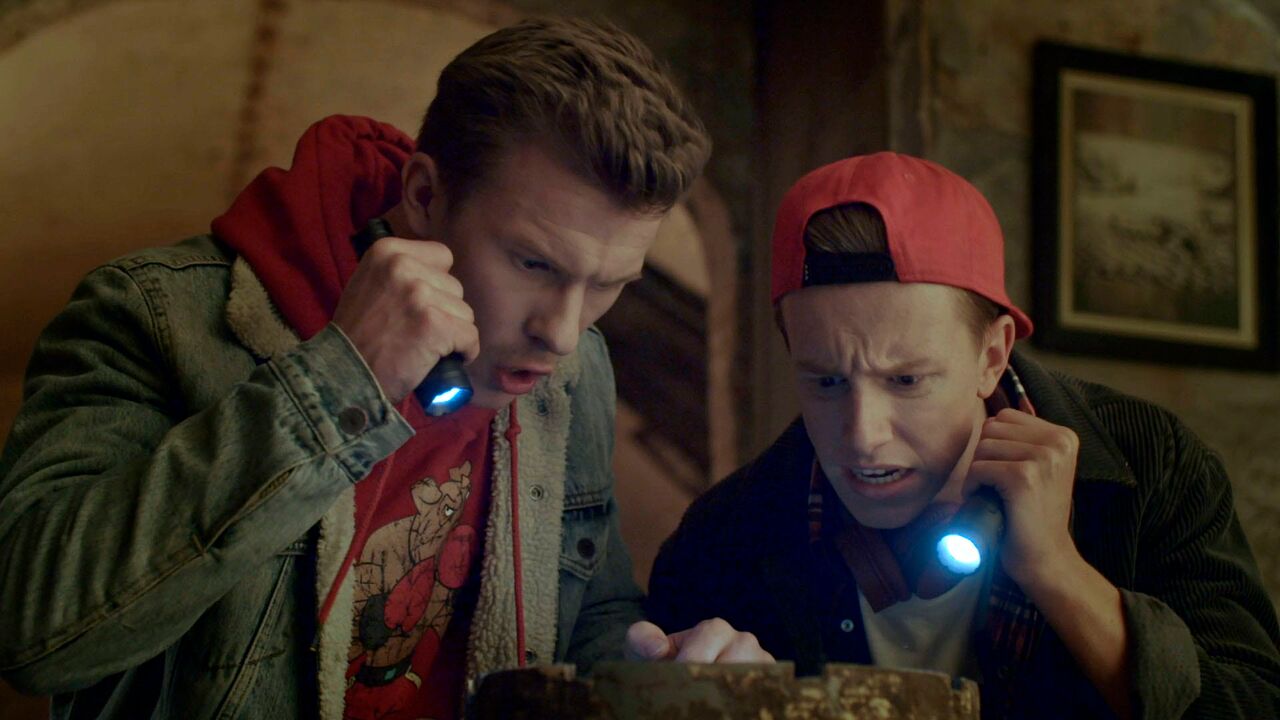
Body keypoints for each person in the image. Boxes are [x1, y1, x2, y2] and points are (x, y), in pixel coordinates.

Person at [0, 17, 710, 719]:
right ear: (424, 196)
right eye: (533, 264)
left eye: (610, 284)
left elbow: (588, 612)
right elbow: (32, 636)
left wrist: (669, 679)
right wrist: (338, 381)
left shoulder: (580, 366)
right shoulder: (156, 314)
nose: (561, 332)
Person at [635, 153, 1280, 719]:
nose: (863, 437)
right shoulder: (721, 538)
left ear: (992, 356)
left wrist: (1057, 571)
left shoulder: (1154, 466)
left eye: (907, 380)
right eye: (827, 382)